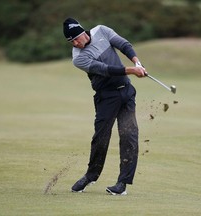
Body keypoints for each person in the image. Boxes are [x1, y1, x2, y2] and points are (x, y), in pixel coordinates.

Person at [63, 17, 146, 195]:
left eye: (77, 38)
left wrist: (136, 62)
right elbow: (106, 69)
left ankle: (122, 184)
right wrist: (132, 70)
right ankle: (91, 175)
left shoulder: (101, 30)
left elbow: (123, 44)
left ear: (83, 32)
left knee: (129, 136)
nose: (76, 43)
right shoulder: (78, 58)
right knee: (101, 137)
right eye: (71, 42)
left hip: (127, 92)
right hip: (106, 97)